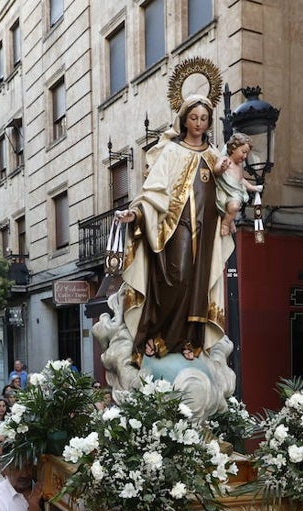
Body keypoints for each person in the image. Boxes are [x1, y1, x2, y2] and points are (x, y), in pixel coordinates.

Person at [115, 95, 230, 363]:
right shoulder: (171, 152)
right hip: (175, 227)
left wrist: (230, 212)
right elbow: (153, 191)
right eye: (193, 118)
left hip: (207, 229)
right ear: (184, 120)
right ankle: (158, 335)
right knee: (176, 278)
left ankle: (191, 340)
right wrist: (137, 213)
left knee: (198, 285)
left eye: (204, 119)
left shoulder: (214, 157)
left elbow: (228, 190)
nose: (199, 124)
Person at [216, 132, 263, 236]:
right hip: (225, 191)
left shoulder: (239, 166)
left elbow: (241, 180)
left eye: (247, 154)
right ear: (233, 148)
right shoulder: (225, 160)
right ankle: (225, 224)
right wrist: (222, 168)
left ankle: (229, 221)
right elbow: (216, 171)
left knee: (234, 207)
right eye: (243, 152)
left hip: (236, 193)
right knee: (232, 207)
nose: (245, 156)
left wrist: (253, 187)